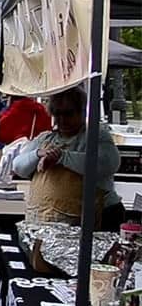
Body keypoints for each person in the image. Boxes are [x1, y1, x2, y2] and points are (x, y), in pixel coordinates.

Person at [12, 87, 122, 230]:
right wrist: (38, 154)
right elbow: (18, 166)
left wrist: (61, 157)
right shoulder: (45, 138)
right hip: (49, 221)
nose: (62, 120)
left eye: (68, 114)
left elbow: (108, 164)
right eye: (58, 114)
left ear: (81, 112)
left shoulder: (96, 136)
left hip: (97, 219)